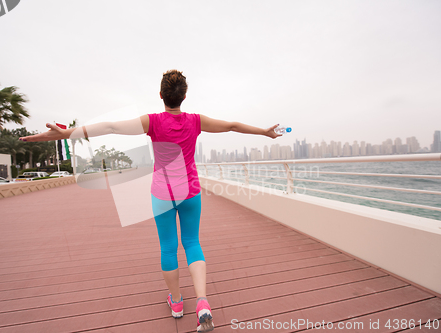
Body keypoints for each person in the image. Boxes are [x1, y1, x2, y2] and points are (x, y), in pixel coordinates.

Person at [19, 69, 282, 332]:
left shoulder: (152, 122)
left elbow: (110, 126)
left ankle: (177, 303)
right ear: (185, 96)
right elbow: (233, 126)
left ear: (161, 95)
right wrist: (264, 132)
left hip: (162, 194)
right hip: (190, 192)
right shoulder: (196, 121)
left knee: (169, 248)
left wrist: (68, 134)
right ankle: (202, 302)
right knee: (192, 242)